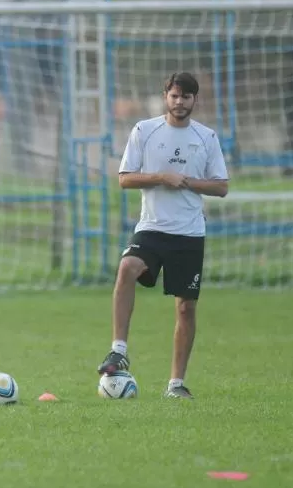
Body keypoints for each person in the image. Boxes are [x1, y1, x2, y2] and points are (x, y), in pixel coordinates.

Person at [97, 72, 229, 399]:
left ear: (195, 100)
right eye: (174, 96)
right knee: (127, 268)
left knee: (185, 309)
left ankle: (176, 384)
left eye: (186, 97)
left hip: (189, 233)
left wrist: (185, 181)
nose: (180, 102)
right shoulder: (145, 130)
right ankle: (118, 349)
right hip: (152, 227)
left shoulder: (207, 137)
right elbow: (125, 179)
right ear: (165, 96)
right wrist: (160, 177)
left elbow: (221, 186)